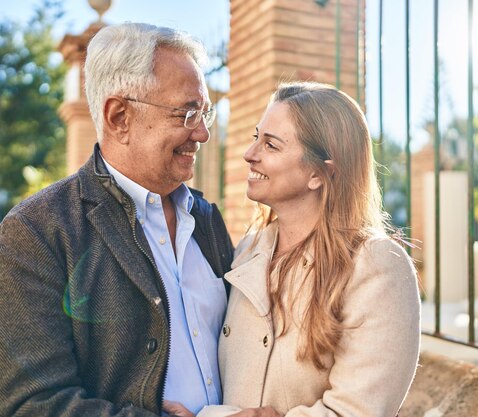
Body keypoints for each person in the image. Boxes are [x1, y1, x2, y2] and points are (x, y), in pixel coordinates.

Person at [0, 22, 234, 417]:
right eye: (186, 113)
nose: (202, 133)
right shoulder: (34, 235)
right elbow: (26, 407)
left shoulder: (207, 219)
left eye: (205, 113)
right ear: (119, 117)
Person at [168, 82, 421, 417]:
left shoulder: (376, 265)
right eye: (256, 137)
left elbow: (354, 411)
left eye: (271, 145)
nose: (250, 153)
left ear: (319, 173)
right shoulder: (249, 249)